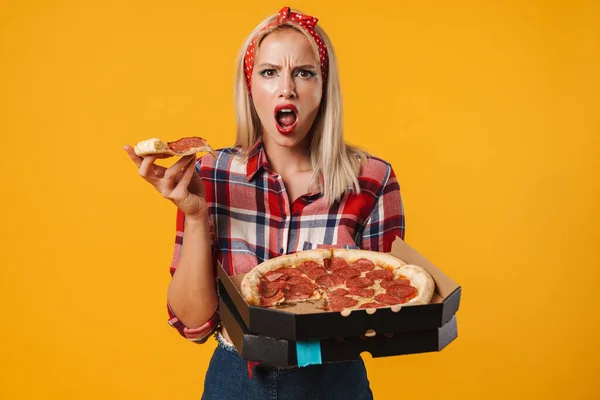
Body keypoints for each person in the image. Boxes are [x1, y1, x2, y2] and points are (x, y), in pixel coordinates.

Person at [125, 6, 404, 399]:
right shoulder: (211, 173)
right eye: (269, 72)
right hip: (237, 381)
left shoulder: (373, 178)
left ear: (325, 88)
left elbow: (388, 317)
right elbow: (194, 322)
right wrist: (194, 215)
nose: (286, 88)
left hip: (334, 381)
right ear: (250, 86)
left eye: (304, 73)